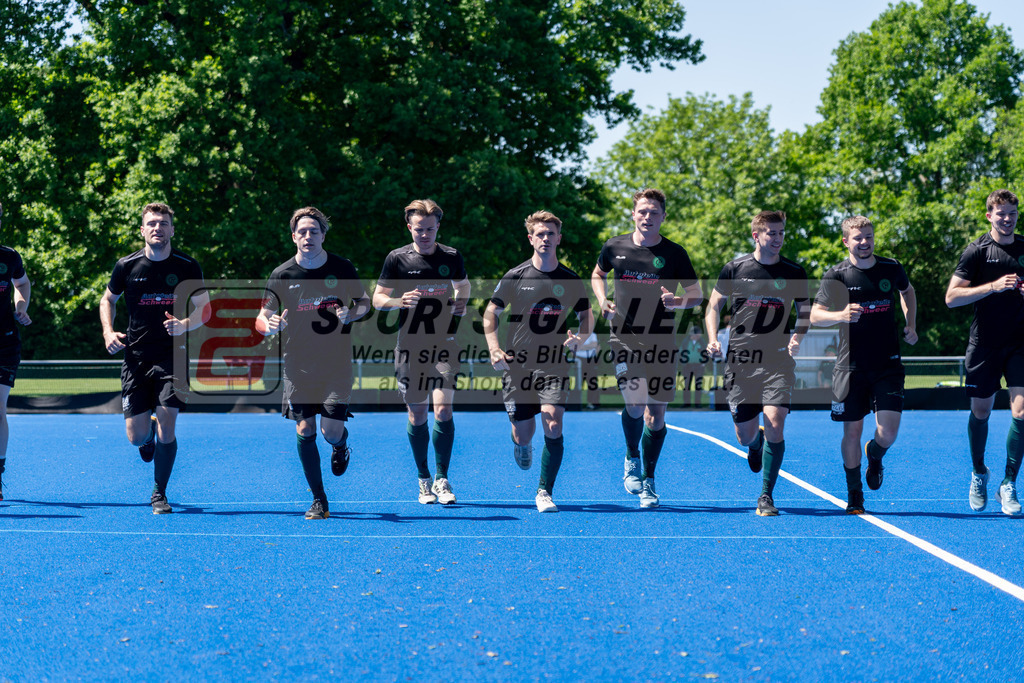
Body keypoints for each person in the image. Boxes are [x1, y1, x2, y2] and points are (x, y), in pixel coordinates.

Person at [256, 207, 371, 520]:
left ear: (323, 235)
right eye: (302, 232)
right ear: (294, 237)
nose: (308, 236)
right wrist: (270, 325)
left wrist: (353, 313)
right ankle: (319, 500)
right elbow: (261, 319)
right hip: (297, 365)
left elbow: (365, 302)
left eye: (314, 231)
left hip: (336, 364)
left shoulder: (342, 267)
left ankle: (340, 445)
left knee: (330, 431)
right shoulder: (282, 275)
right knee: (306, 429)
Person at [591, 188, 703, 508]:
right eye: (642, 211)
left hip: (663, 341)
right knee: (636, 403)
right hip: (625, 337)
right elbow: (598, 275)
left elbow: (696, 294)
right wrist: (602, 300)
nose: (648, 217)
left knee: (656, 415)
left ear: (663, 217)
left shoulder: (675, 253)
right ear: (633, 214)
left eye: (654, 212)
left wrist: (678, 301)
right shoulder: (615, 246)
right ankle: (631, 457)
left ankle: (649, 481)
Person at [100, 202, 210, 514]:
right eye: (151, 223)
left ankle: (159, 493)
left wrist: (185, 325)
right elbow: (108, 299)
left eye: (163, 223)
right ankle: (147, 438)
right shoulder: (127, 266)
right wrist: (109, 332)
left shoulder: (188, 266)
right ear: (142, 230)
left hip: (173, 358)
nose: (157, 228)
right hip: (135, 359)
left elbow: (205, 309)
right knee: (136, 438)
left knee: (168, 422)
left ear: (172, 229)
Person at [483, 211, 595, 512]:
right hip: (517, 366)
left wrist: (580, 339)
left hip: (553, 364)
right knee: (523, 430)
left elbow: (587, 317)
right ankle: (521, 443)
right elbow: (490, 314)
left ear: (559, 238)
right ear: (531, 238)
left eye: (551, 234)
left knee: (553, 423)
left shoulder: (570, 280)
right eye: (540, 234)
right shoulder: (515, 276)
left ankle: (544, 491)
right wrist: (494, 348)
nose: (545, 238)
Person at [704, 210, 809, 517]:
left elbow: (805, 312)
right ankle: (755, 444)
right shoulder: (735, 268)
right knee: (745, 434)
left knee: (776, 421)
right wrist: (713, 338)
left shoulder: (794, 272)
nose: (777, 239)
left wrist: (798, 338)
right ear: (756, 235)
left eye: (781, 233)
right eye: (771, 233)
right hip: (740, 361)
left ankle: (766, 495)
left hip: (777, 359)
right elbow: (713, 307)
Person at [810, 215, 917, 514]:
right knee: (852, 432)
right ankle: (855, 494)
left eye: (869, 236)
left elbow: (907, 291)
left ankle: (876, 455)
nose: (865, 242)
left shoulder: (891, 268)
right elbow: (815, 316)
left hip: (887, 364)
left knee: (888, 432)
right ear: (846, 241)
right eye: (858, 238)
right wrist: (840, 315)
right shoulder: (837, 275)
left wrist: (912, 324)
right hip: (850, 367)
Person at [373, 199, 470, 505]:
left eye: (430, 229)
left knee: (442, 409)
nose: (424, 234)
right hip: (410, 347)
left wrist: (460, 305)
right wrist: (399, 301)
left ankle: (442, 479)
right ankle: (423, 479)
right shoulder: (396, 258)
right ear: (409, 228)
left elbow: (463, 285)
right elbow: (377, 299)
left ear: (437, 227)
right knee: (417, 413)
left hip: (444, 347)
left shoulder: (451, 256)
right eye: (419, 229)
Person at [945, 189, 1024, 516]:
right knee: (981, 412)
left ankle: (1008, 483)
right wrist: (992, 286)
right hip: (984, 345)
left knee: (1021, 412)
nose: (1007, 219)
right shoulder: (976, 252)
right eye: (1001, 213)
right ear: (989, 215)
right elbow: (951, 298)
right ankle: (979, 472)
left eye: (1012, 213)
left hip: (1020, 343)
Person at [0, 202, 31, 501]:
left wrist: (20, 306)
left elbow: (21, 282)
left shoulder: (9, 257)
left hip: (5, 342)